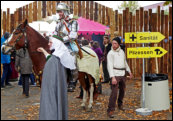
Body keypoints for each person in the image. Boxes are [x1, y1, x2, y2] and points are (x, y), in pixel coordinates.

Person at [37, 35, 76, 120]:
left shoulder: (54, 60)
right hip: (54, 90)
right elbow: (51, 58)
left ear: (56, 44)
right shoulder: (60, 58)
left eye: (51, 42)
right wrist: (44, 51)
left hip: (51, 92)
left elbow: (51, 61)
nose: (48, 44)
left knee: (51, 104)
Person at [53, 2, 79, 92]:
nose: (59, 14)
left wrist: (61, 39)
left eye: (60, 12)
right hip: (59, 45)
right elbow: (55, 34)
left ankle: (72, 81)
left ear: (65, 12)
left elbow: (73, 35)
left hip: (70, 45)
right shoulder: (58, 23)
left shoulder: (73, 22)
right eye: (58, 12)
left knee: (71, 57)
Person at [106, 37, 133, 118]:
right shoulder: (110, 53)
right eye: (113, 43)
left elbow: (125, 62)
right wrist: (113, 77)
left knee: (122, 90)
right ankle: (110, 110)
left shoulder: (121, 52)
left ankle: (120, 104)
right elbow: (109, 66)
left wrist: (129, 71)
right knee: (114, 92)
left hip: (122, 73)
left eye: (115, 43)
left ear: (119, 44)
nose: (113, 45)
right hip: (115, 74)